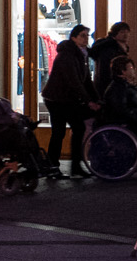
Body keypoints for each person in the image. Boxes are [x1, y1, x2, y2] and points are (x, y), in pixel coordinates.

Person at [42, 23, 101, 179]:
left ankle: (75, 166)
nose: (85, 38)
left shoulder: (82, 54)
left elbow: (86, 80)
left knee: (78, 128)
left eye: (87, 36)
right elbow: (74, 81)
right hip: (57, 99)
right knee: (59, 131)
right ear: (73, 37)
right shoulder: (67, 55)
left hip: (67, 99)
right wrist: (89, 101)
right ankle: (53, 166)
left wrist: (97, 99)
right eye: (82, 35)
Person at [89, 22, 132, 92]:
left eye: (127, 32)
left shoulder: (123, 47)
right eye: (122, 32)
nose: (125, 34)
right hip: (109, 84)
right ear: (115, 34)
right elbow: (105, 69)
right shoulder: (109, 48)